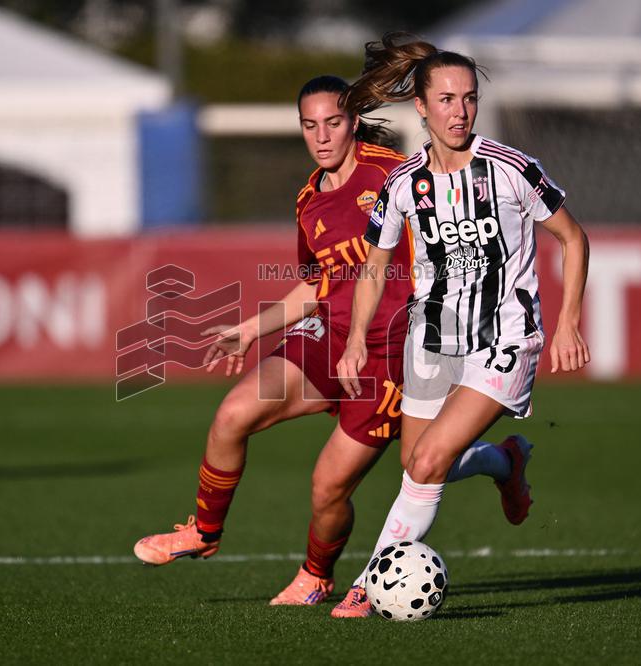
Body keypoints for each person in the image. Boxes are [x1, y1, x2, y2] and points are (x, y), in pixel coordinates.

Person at [133, 75, 416, 607]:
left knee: (332, 486)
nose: (322, 137)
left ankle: (315, 576)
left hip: (389, 352)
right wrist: (248, 330)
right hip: (329, 336)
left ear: (354, 122)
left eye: (333, 123)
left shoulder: (395, 174)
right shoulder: (309, 202)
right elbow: (317, 285)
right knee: (232, 415)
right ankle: (204, 532)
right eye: (310, 126)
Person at [335, 33, 591, 617]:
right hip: (432, 339)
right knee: (419, 463)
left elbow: (573, 238)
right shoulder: (403, 183)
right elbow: (374, 266)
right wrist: (354, 342)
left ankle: (370, 583)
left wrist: (569, 322)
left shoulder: (512, 169)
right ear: (421, 107)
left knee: (428, 464)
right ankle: (505, 462)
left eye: (469, 98)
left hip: (506, 337)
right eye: (446, 100)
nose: (460, 111)